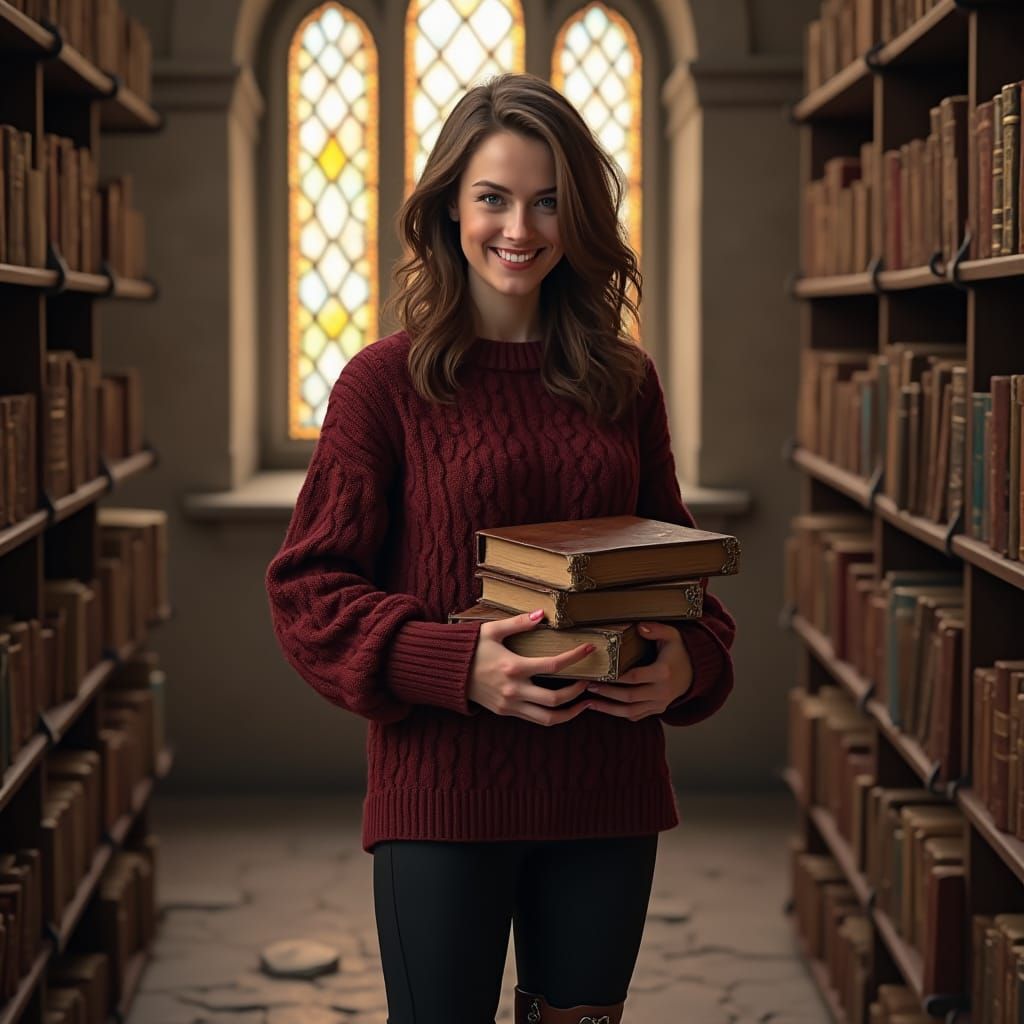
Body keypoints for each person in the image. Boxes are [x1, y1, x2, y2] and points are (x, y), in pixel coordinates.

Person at [265, 71, 736, 1024]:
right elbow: (308, 591)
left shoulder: (625, 383)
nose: (519, 228)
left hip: (607, 792)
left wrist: (690, 662)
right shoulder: (381, 385)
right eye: (493, 197)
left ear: (580, 218)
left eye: (549, 201)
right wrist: (454, 665)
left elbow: (682, 575)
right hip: (442, 789)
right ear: (449, 207)